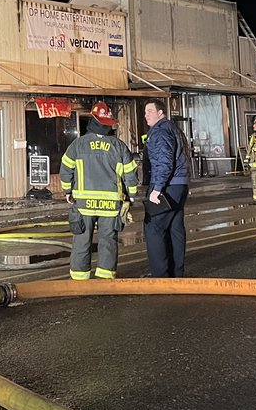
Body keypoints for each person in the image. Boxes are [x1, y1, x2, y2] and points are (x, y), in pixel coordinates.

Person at [59, 101, 139, 280]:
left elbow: (65, 170)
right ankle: (105, 279)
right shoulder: (119, 146)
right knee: (108, 242)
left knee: (81, 241)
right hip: (110, 205)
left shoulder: (78, 145)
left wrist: (67, 191)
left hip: (83, 205)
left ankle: (80, 280)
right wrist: (131, 196)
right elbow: (131, 175)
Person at [141, 97, 190, 278]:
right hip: (179, 184)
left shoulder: (161, 131)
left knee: (153, 228)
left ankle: (160, 276)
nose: (146, 116)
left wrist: (157, 189)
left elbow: (164, 161)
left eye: (150, 111)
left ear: (161, 112)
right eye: (145, 112)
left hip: (167, 185)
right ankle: (176, 274)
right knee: (175, 229)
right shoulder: (173, 129)